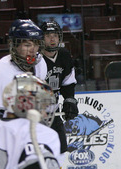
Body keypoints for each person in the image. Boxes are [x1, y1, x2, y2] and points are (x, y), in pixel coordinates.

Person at [40, 20, 80, 153]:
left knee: (61, 149)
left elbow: (68, 83)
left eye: (55, 35)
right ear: (41, 38)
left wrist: (70, 100)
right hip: (36, 116)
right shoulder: (36, 59)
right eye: (48, 35)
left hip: (53, 112)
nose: (52, 39)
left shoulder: (64, 55)